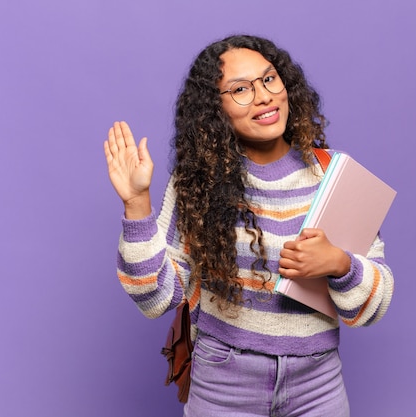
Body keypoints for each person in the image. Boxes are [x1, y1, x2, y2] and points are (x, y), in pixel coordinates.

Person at [103, 34, 394, 417]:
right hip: (223, 383)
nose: (264, 96)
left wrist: (340, 264)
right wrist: (136, 203)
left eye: (269, 79)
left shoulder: (333, 174)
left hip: (318, 385)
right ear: (215, 110)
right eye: (241, 89)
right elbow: (157, 298)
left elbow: (372, 307)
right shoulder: (198, 183)